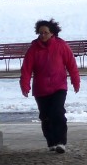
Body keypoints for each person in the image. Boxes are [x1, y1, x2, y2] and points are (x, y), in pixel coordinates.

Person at [19, 18, 80, 153]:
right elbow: (26, 69)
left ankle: (61, 142)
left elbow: (71, 65)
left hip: (59, 87)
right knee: (45, 116)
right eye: (40, 33)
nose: (43, 35)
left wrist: (76, 81)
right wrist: (25, 85)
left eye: (46, 32)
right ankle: (51, 142)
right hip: (41, 89)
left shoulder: (61, 46)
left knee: (57, 113)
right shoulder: (33, 49)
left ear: (52, 33)